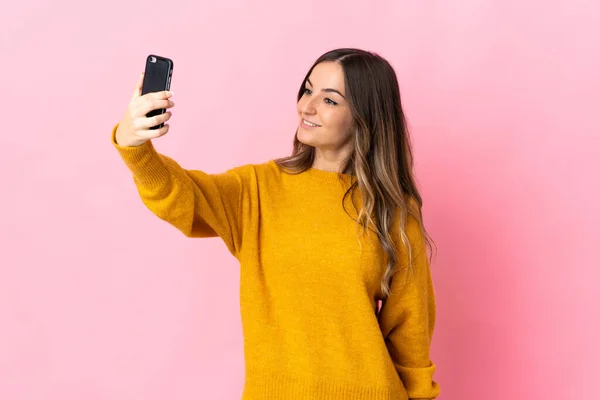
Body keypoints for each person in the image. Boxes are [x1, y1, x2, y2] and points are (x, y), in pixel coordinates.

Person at [111, 48, 440, 400]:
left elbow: (411, 331)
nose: (307, 106)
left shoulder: (393, 210)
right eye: (307, 90)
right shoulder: (259, 189)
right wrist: (136, 146)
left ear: (366, 116)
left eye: (329, 100)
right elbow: (182, 196)